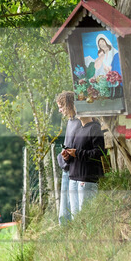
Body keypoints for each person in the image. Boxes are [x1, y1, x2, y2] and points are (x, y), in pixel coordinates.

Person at [61, 115, 105, 216]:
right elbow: (74, 153)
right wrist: (67, 157)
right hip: (73, 178)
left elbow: (99, 152)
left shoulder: (95, 128)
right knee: (75, 216)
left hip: (87, 179)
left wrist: (77, 153)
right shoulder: (77, 130)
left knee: (86, 215)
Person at [56, 91, 81, 225]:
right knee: (65, 205)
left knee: (73, 206)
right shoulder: (71, 122)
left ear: (69, 105)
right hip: (67, 166)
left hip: (74, 168)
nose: (60, 111)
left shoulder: (80, 122)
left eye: (61, 107)